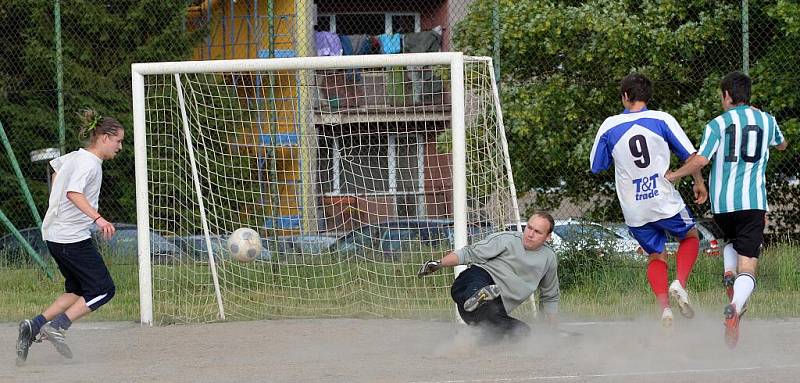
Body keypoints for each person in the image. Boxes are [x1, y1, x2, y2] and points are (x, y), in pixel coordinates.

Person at [665, 71, 788, 348]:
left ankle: (729, 273)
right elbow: (782, 145)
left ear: (727, 96)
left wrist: (674, 176)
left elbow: (701, 159)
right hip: (753, 203)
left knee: (732, 243)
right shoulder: (767, 121)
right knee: (750, 266)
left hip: (723, 205)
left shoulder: (717, 124)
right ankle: (734, 305)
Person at [590, 73, 708, 328]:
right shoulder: (661, 119)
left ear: (625, 96)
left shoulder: (609, 126)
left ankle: (665, 309)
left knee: (656, 255)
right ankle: (680, 283)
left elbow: (596, 166)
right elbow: (691, 155)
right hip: (662, 198)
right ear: (648, 97)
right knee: (690, 237)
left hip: (634, 208)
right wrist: (699, 182)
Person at [16, 109, 124, 366]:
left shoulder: (77, 156)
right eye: (118, 141)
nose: (120, 147)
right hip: (70, 238)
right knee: (104, 290)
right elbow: (73, 193)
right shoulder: (89, 164)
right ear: (105, 137)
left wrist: (56, 207)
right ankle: (58, 326)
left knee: (77, 290)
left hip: (56, 234)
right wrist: (98, 218)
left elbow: (56, 170)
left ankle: (34, 326)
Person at [417, 212, 559, 342]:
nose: (530, 234)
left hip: (495, 308)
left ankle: (469, 339)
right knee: (474, 283)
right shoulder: (506, 240)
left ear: (548, 237)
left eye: (537, 232)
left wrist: (550, 331)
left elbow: (549, 296)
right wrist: (439, 264)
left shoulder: (549, 258)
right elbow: (469, 253)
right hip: (480, 278)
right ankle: (477, 295)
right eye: (529, 227)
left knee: (522, 332)